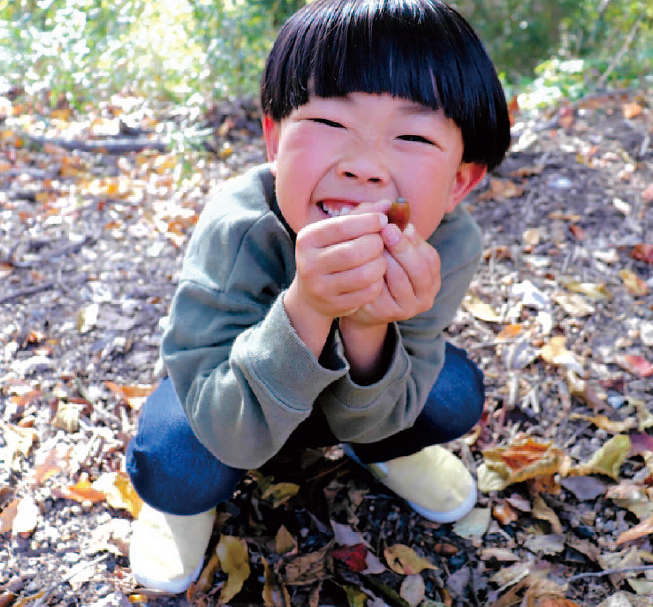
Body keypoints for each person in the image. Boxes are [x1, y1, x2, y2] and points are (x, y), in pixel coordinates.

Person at [125, 0, 511, 593]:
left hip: (351, 408)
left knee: (455, 394)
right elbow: (225, 421)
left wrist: (365, 327)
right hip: (231, 400)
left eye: (411, 135)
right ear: (275, 140)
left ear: (460, 179)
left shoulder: (448, 245)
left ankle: (379, 454)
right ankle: (183, 509)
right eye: (330, 125)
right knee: (175, 462)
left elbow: (401, 385)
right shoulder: (239, 228)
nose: (363, 167)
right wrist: (307, 307)